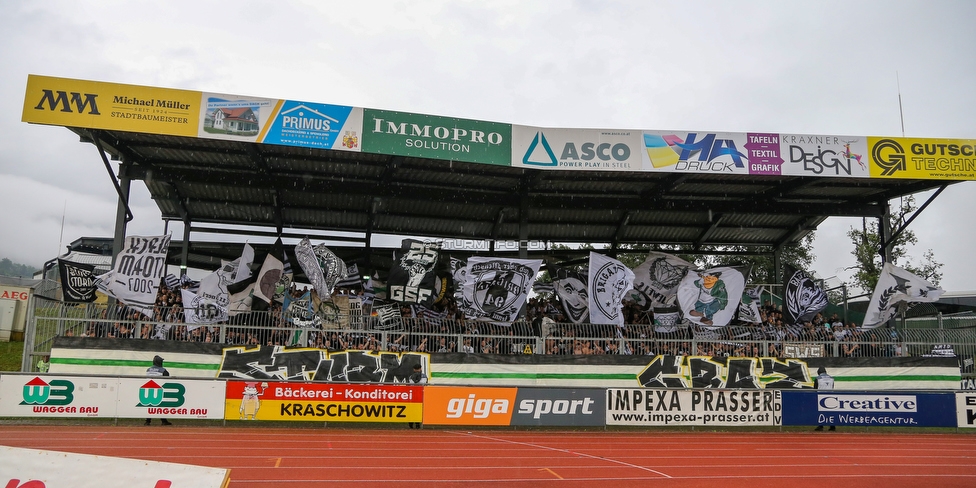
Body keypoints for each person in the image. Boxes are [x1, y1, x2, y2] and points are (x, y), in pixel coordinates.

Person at [145, 355, 172, 426]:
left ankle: (148, 421)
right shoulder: (163, 370)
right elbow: (167, 379)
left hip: (149, 389)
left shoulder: (148, 369)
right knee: (161, 405)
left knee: (150, 405)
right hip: (159, 389)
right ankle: (163, 420)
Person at [813, 366, 835, 431]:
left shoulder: (817, 378)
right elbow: (832, 387)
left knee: (820, 412)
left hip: (820, 397)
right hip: (830, 397)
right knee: (830, 412)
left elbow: (815, 389)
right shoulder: (832, 378)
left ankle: (820, 426)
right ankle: (832, 426)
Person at [407, 363, 427, 429]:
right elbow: (424, 385)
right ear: (420, 368)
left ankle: (411, 422)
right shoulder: (424, 376)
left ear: (414, 369)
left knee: (412, 409)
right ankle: (418, 424)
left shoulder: (411, 377)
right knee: (420, 409)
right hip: (421, 394)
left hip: (413, 394)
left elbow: (410, 385)